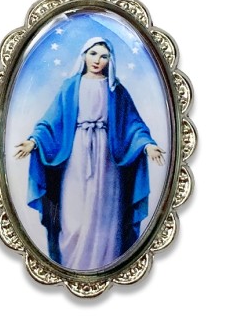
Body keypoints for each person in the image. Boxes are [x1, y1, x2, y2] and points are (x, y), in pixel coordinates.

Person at [14, 37, 165, 271]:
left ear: (110, 60)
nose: (97, 60)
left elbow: (133, 125)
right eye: (93, 54)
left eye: (104, 56)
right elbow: (51, 121)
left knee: (105, 214)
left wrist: (147, 145)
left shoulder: (116, 90)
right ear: (84, 55)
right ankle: (71, 267)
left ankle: (105, 265)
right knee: (73, 214)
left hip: (107, 161)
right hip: (76, 158)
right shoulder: (70, 87)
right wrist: (33, 141)